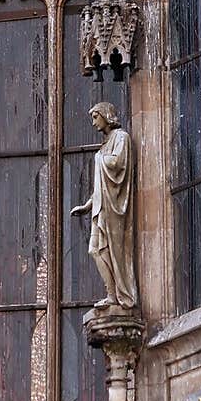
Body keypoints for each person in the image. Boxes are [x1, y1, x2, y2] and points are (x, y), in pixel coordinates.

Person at [71, 102, 137, 309]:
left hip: (115, 206)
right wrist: (87, 205)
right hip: (101, 206)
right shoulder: (106, 143)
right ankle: (111, 294)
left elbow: (119, 164)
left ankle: (121, 294)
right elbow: (100, 186)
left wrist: (100, 159)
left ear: (106, 116)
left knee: (116, 250)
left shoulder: (121, 138)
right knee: (95, 250)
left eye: (95, 117)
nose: (93, 123)